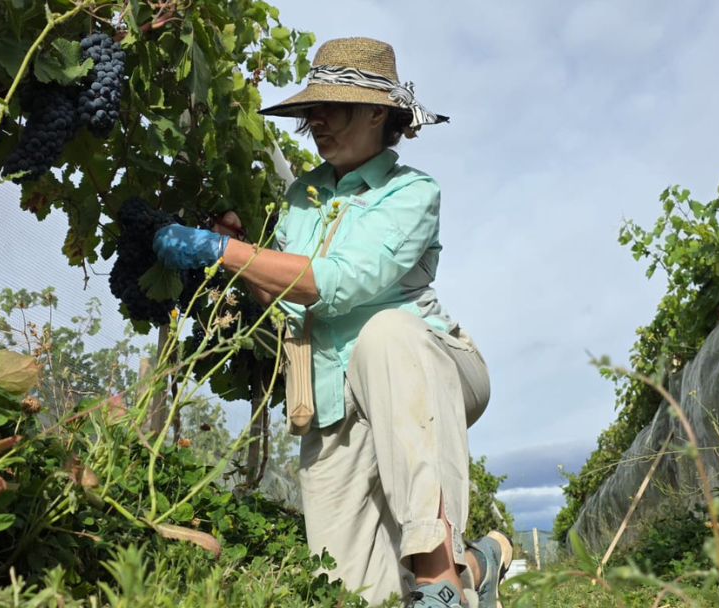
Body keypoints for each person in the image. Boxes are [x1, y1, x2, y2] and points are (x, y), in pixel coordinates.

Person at [153, 37, 512, 608]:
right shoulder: (302, 196)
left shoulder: (411, 191)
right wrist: (240, 251)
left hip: (426, 372)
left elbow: (342, 283)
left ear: (377, 113)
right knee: (350, 593)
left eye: (333, 107)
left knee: (384, 333)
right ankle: (478, 564)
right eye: (310, 109)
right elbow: (293, 300)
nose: (316, 120)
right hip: (331, 396)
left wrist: (221, 253)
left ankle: (441, 576)